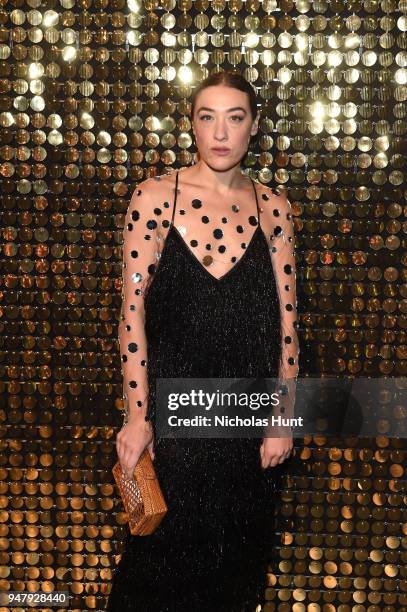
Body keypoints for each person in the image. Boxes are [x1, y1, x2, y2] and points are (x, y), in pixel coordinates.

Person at [106, 70, 300, 612]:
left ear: (254, 127)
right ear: (191, 124)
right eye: (206, 117)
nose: (220, 132)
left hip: (246, 426)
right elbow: (132, 315)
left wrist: (282, 416)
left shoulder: (275, 210)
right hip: (175, 428)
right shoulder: (154, 198)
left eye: (234, 118)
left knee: (237, 571)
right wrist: (139, 415)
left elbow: (287, 322)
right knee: (156, 575)